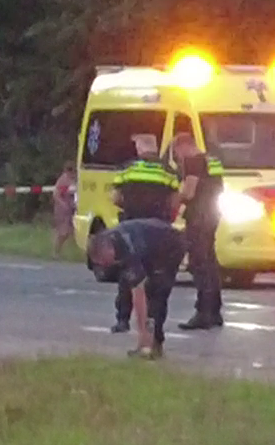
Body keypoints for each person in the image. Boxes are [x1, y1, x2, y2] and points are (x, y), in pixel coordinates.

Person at [108, 136, 180, 334]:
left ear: (139, 147)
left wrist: (128, 207)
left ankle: (123, 319)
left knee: (128, 274)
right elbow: (175, 200)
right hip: (159, 228)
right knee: (156, 275)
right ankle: (152, 322)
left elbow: (115, 197)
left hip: (131, 227)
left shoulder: (127, 168)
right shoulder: (169, 170)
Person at [86, 218, 186, 360]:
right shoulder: (109, 240)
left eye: (105, 261)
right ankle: (147, 343)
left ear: (108, 249)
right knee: (146, 289)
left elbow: (139, 296)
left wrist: (142, 332)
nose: (106, 265)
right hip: (151, 246)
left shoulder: (128, 248)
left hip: (170, 247)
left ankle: (151, 345)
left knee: (156, 294)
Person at [171, 132, 225, 331]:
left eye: (176, 153)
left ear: (182, 147)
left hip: (198, 217)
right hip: (212, 214)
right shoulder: (212, 161)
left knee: (198, 263)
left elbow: (189, 192)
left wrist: (175, 198)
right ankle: (215, 311)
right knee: (210, 261)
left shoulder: (193, 162)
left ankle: (203, 312)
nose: (178, 158)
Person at [52, 162, 78, 257]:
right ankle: (56, 252)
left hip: (71, 209)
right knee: (63, 232)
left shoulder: (73, 180)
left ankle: (74, 253)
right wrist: (63, 205)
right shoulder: (63, 180)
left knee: (72, 232)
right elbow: (56, 194)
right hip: (62, 210)